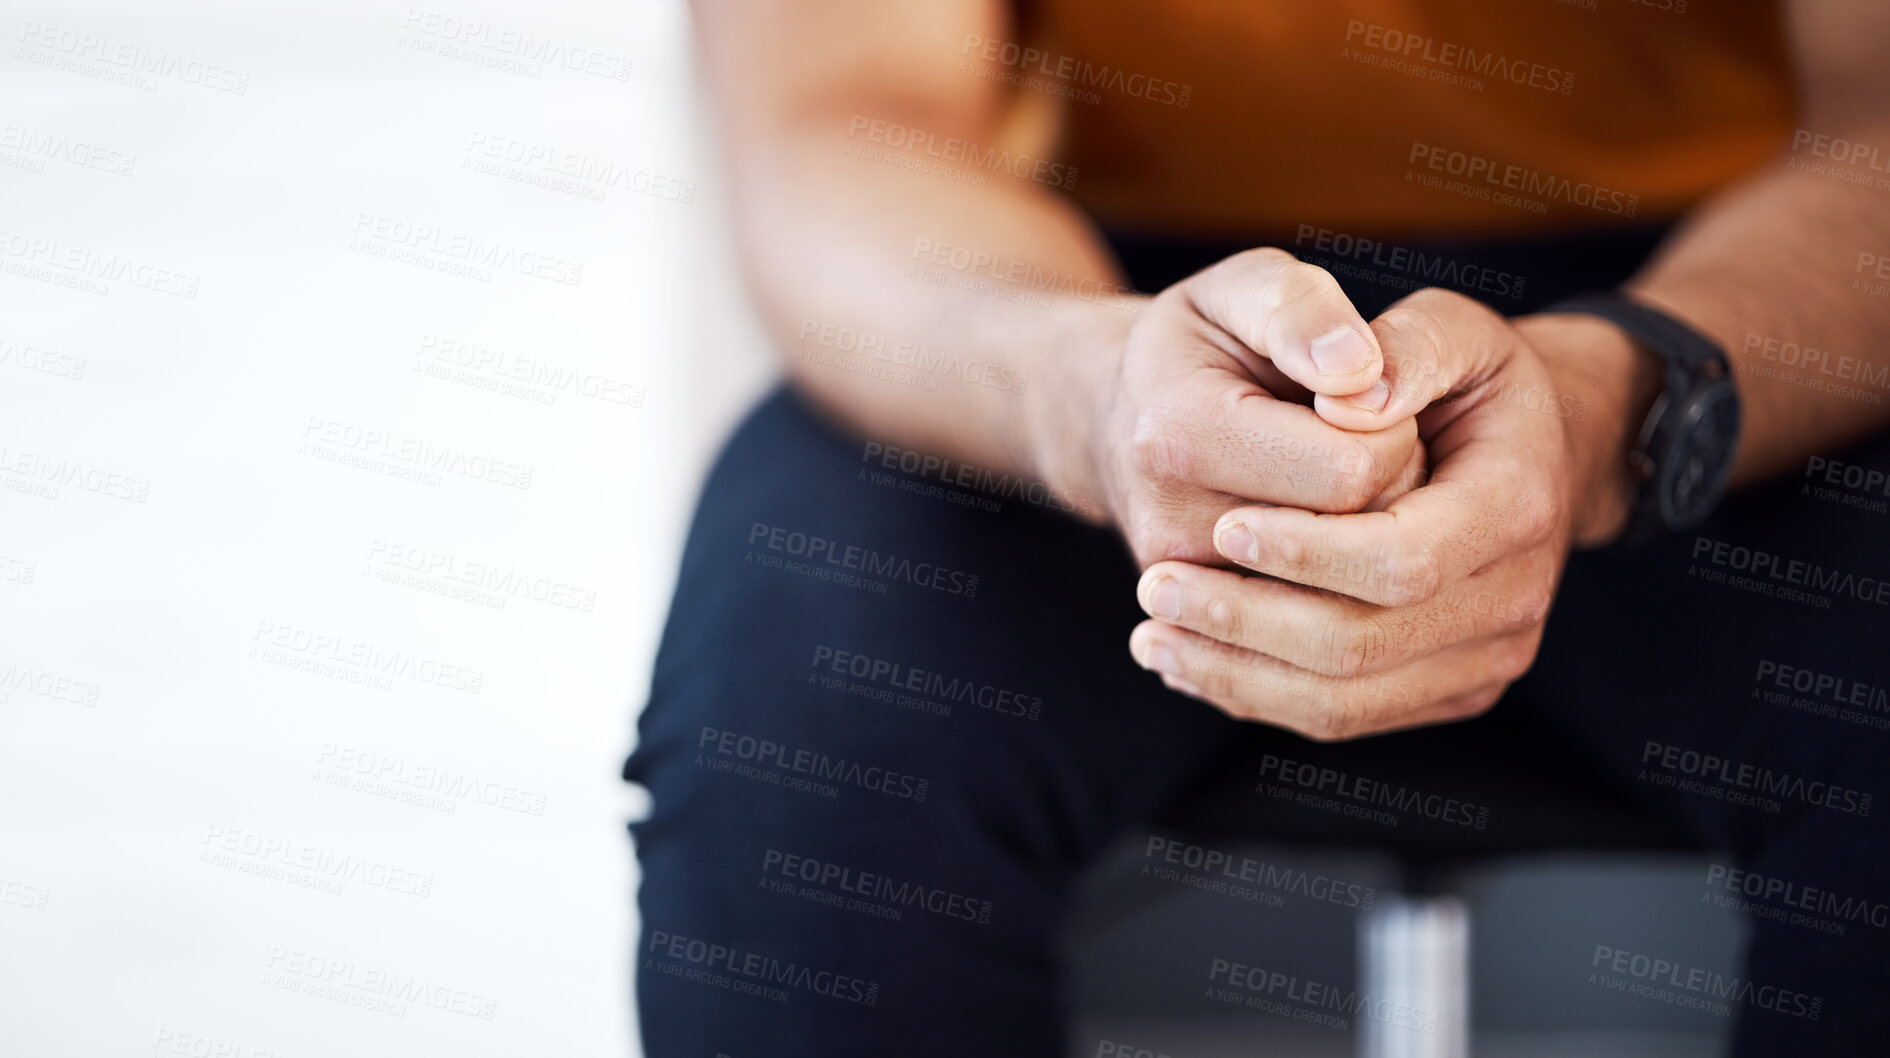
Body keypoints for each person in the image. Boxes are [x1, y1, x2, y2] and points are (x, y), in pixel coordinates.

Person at [625, 1, 1890, 1054]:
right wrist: (1092, 392)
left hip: (1729, 291)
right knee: (796, 724)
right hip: (1071, 294)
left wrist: (1619, 400)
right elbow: (847, 123)